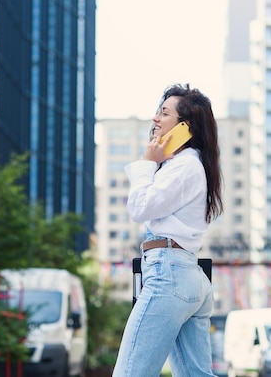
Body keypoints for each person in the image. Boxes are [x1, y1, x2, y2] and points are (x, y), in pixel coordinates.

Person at [113, 83, 224, 377]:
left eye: (164, 113)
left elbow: (140, 208)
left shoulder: (185, 167)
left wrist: (147, 163)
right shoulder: (191, 165)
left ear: (184, 128)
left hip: (169, 273)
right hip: (187, 275)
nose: (155, 120)